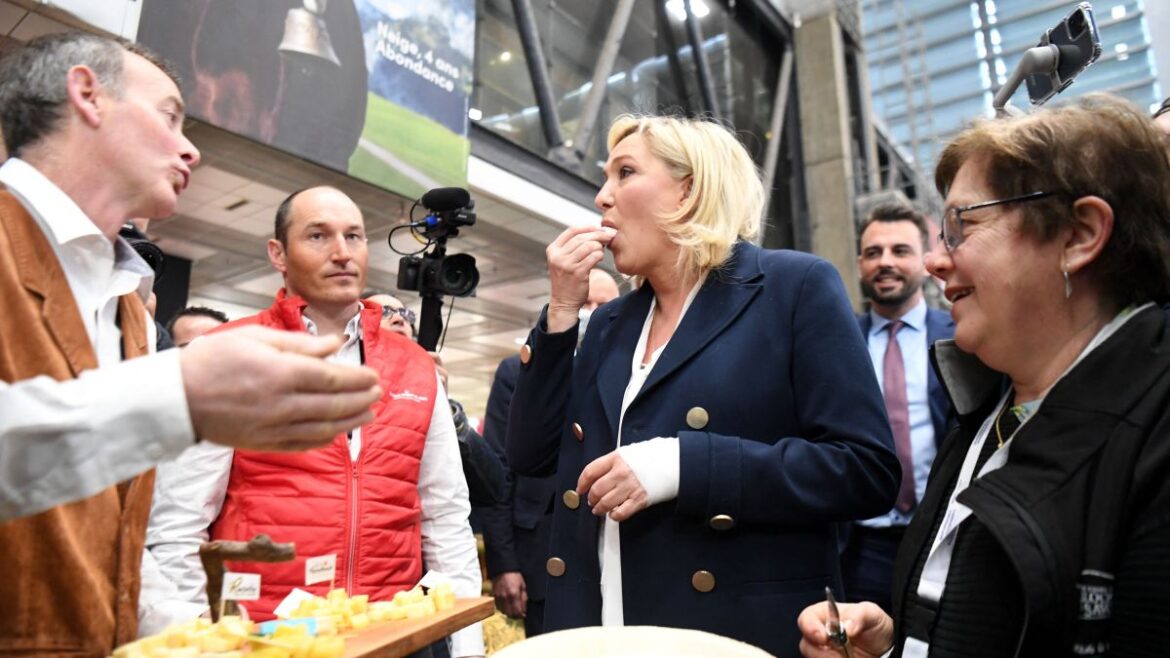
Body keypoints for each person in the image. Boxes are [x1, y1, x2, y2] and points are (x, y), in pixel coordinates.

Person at [0, 33, 380, 655]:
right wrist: (180, 395)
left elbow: (117, 537)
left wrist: (199, 639)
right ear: (88, 95)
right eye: (170, 116)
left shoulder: (127, 305)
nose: (191, 149)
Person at [504, 115, 899, 657]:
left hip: (730, 632)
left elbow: (866, 469)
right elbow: (529, 453)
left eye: (625, 173)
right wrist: (560, 313)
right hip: (602, 628)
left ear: (688, 191)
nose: (602, 196)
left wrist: (683, 465)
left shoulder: (793, 287)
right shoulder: (612, 322)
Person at [798, 94, 1170, 658]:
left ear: (1079, 235)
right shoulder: (984, 409)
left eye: (962, 226)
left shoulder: (1154, 438)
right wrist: (900, 645)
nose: (935, 262)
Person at [145, 187, 484, 658]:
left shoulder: (415, 368)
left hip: (395, 635)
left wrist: (465, 644)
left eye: (354, 236)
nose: (342, 252)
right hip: (266, 638)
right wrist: (201, 638)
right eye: (318, 236)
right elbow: (179, 524)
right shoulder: (227, 353)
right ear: (278, 254)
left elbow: (445, 515)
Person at [480, 268, 619, 638]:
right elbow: (499, 471)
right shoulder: (518, 372)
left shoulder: (630, 372)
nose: (592, 312)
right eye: (584, 303)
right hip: (540, 553)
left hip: (614, 545)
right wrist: (504, 564)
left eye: (603, 304)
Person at [843, 204, 954, 613]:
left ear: (926, 261)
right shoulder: (838, 343)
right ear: (860, 265)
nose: (885, 262)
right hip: (861, 545)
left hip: (941, 536)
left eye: (900, 251)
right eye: (873, 253)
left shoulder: (960, 337)